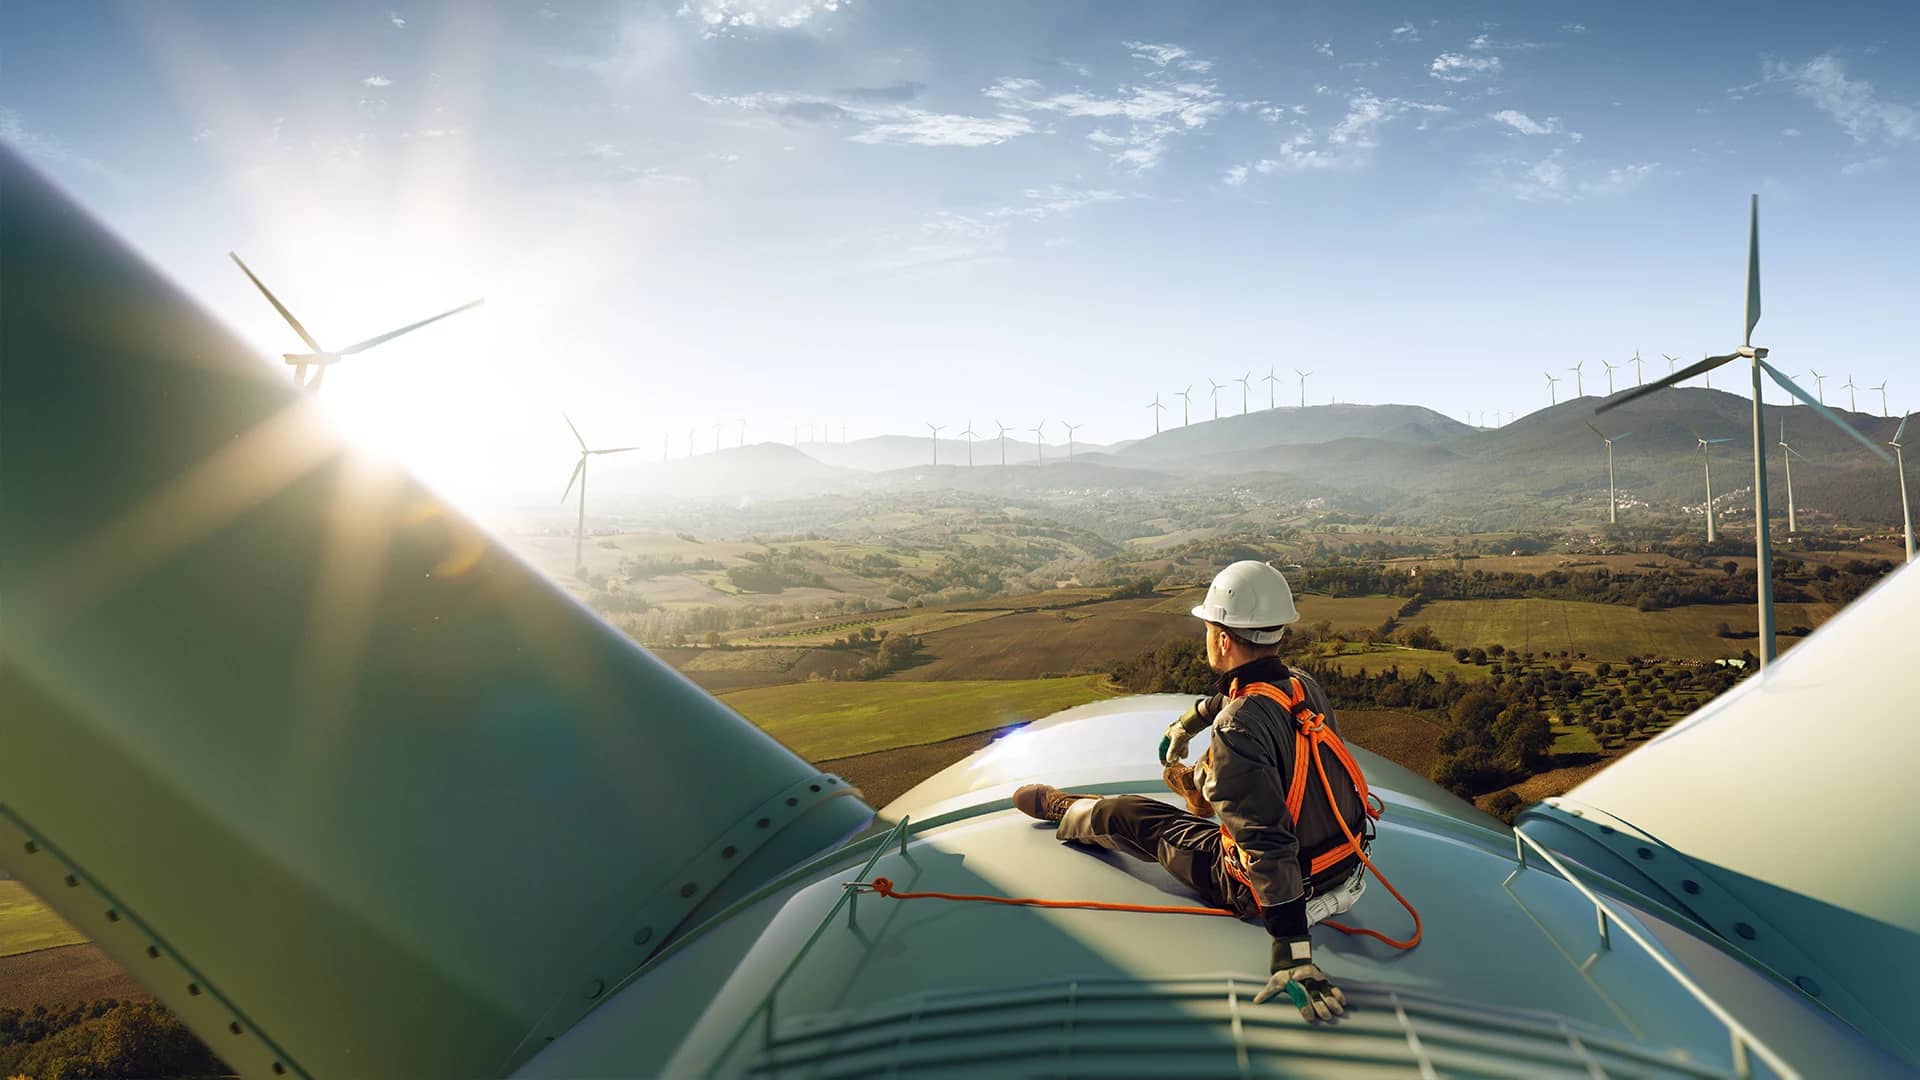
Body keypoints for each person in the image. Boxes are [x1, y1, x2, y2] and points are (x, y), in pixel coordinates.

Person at [1013, 560, 1371, 1022]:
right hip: (1348, 868)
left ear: (1222, 638)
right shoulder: (1301, 685)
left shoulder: (1238, 728)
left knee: (1131, 815)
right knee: (1231, 769)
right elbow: (1239, 698)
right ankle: (1201, 785)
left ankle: (1068, 810)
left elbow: (1267, 844)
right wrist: (1189, 722)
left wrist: (1293, 951)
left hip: (1278, 891)